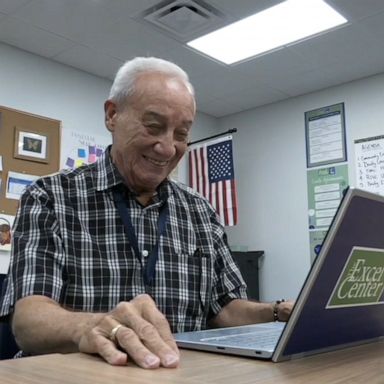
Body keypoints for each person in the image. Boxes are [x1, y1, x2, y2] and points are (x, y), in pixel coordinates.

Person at [0, 57, 293, 369]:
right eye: (153, 126)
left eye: (181, 134)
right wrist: (90, 327)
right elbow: (28, 321)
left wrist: (280, 312)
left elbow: (224, 308)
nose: (167, 148)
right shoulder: (50, 197)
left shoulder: (200, 211)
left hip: (176, 373)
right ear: (112, 115)